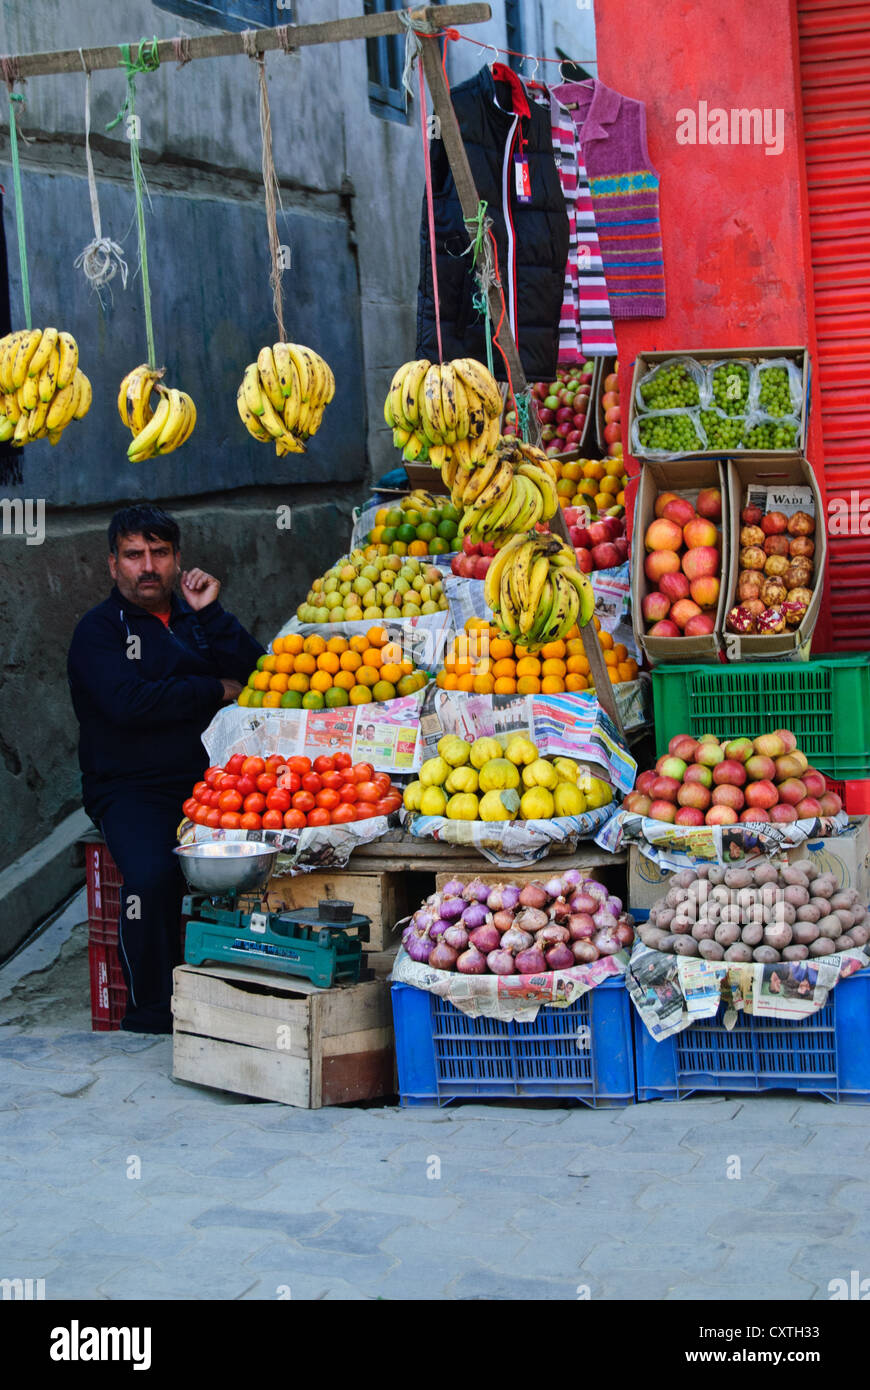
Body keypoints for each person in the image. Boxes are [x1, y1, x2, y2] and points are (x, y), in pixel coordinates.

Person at [68, 505, 264, 1033]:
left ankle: (246, 994)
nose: (147, 566)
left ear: (177, 560)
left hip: (213, 782)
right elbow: (128, 703)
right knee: (151, 878)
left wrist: (212, 614)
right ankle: (150, 1010)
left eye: (159, 553)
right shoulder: (99, 632)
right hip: (131, 787)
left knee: (273, 863)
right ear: (113, 565)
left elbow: (257, 671)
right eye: (134, 555)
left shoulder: (193, 615)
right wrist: (212, 689)